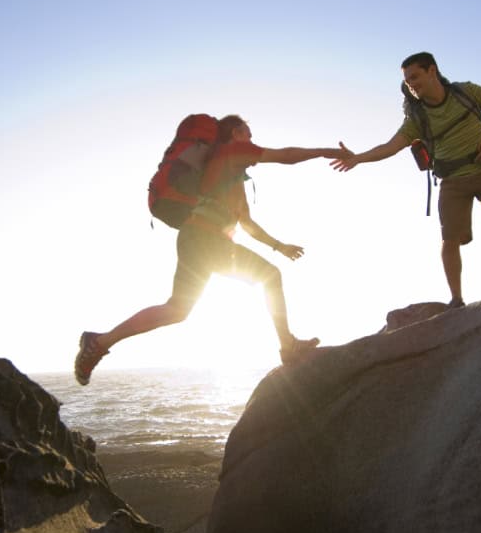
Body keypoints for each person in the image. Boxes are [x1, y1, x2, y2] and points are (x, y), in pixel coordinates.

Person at [74, 115, 345, 385]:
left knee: (177, 310)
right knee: (270, 276)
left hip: (196, 238)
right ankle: (288, 347)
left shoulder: (232, 173)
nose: (252, 142)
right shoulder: (231, 150)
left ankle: (99, 341)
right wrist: (326, 152)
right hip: (205, 239)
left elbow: (247, 223)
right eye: (248, 135)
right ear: (236, 133)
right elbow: (285, 155)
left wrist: (279, 246)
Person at [332, 52, 481, 307]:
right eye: (407, 81)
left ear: (432, 71)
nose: (411, 84)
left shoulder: (465, 92)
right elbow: (391, 146)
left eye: (415, 76)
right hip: (452, 182)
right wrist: (357, 158)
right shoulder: (417, 118)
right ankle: (456, 300)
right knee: (450, 241)